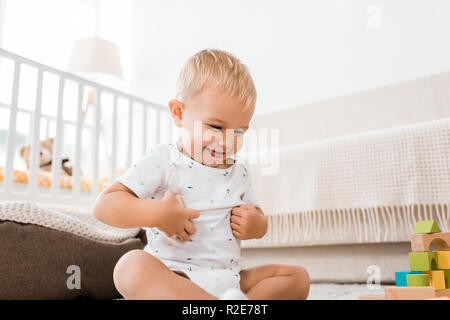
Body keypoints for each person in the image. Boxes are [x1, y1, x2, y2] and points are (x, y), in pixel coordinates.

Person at [93, 49, 310, 300]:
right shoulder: (164, 160)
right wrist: (159, 215)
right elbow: (104, 206)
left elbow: (257, 216)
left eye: (239, 132)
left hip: (229, 280)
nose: (228, 141)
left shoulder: (239, 172)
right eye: (216, 126)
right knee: (129, 267)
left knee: (297, 277)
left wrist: (256, 224)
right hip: (174, 278)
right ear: (178, 113)